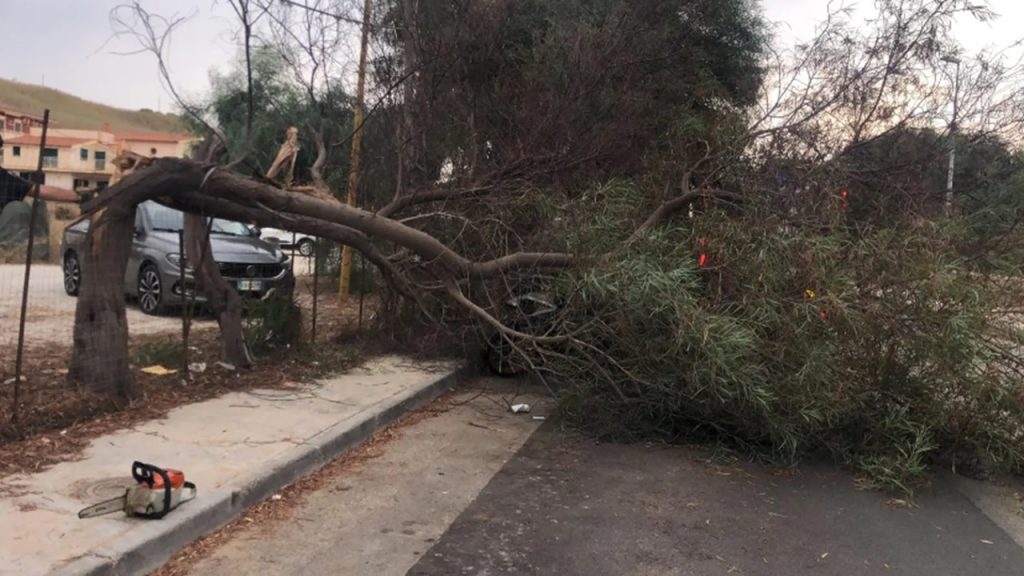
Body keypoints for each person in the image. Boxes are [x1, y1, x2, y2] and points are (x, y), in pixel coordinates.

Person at [0, 135, 80, 212]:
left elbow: (38, 190)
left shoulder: (7, 179)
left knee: (25, 209)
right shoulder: (6, 178)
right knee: (18, 210)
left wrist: (78, 196)